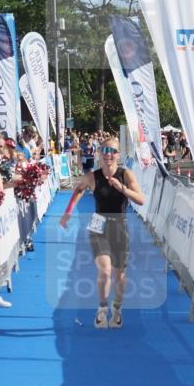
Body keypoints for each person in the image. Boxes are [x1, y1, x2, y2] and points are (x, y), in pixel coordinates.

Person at [59, 137, 144, 329]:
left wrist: (121, 188)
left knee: (120, 276)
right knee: (104, 270)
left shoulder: (126, 175)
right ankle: (102, 309)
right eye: (104, 150)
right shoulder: (92, 176)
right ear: (99, 153)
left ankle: (117, 308)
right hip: (98, 224)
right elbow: (79, 190)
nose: (108, 154)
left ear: (118, 155)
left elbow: (141, 200)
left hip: (120, 224)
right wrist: (67, 213)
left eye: (112, 150)